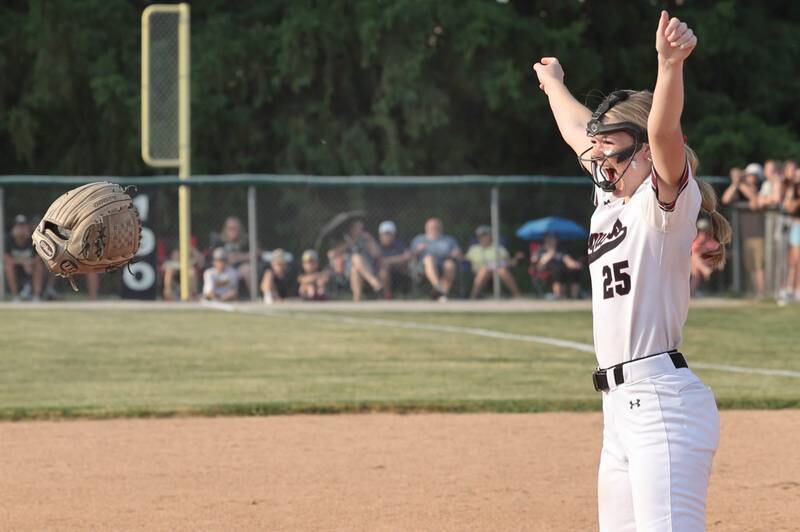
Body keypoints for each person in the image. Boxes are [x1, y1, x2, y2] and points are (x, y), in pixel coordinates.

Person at [534, 11, 731, 531]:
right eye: (598, 156)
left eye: (612, 154)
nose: (600, 164)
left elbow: (665, 129)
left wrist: (669, 66)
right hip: (619, 412)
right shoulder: (611, 199)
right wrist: (555, 84)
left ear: (643, 152)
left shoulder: (662, 206)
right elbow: (579, 131)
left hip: (662, 408)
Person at [721, 164, 765, 296]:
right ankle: (753, 292)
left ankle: (762, 294)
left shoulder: (759, 188)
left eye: (751, 175)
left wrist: (739, 183)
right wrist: (735, 184)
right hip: (745, 234)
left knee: (759, 266)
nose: (749, 177)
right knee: (750, 266)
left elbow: (754, 199)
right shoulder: (741, 189)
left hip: (758, 233)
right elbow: (725, 199)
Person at [328, 219, 383, 301]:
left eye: (361, 228)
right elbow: (331, 254)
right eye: (358, 228)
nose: (360, 230)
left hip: (368, 268)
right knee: (356, 259)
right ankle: (374, 282)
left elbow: (376, 254)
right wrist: (349, 244)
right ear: (351, 229)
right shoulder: (344, 240)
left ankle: (356, 300)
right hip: (346, 271)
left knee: (355, 269)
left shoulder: (366, 239)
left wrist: (370, 240)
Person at [410, 217, 463, 301]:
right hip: (423, 267)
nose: (434, 229)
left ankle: (442, 295)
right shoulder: (419, 239)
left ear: (440, 228)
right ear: (426, 228)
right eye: (431, 227)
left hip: (443, 264)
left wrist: (457, 253)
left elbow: (459, 255)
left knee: (450, 264)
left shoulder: (449, 240)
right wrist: (417, 250)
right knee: (429, 259)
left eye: (436, 227)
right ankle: (438, 287)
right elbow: (410, 255)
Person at [465, 225, 522, 298]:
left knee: (502, 271)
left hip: (497, 269)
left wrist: (516, 259)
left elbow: (509, 261)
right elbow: (465, 259)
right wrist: (458, 255)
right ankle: (473, 296)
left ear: (490, 236)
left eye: (485, 235)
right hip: (478, 271)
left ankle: (517, 295)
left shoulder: (498, 248)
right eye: (481, 236)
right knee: (485, 270)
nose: (483, 238)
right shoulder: (474, 249)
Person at [529, 233, 582, 299]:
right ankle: (558, 295)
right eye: (549, 238)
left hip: (563, 269)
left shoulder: (560, 249)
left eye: (553, 238)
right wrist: (550, 254)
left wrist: (574, 264)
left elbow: (566, 258)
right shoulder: (541, 250)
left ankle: (575, 296)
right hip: (547, 270)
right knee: (557, 270)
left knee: (575, 271)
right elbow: (540, 264)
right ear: (545, 240)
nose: (551, 240)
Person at [209, 216, 254, 293]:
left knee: (247, 269)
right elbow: (213, 257)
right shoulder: (219, 241)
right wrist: (226, 260)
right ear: (225, 229)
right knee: (210, 273)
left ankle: (254, 296)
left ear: (240, 229)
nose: (232, 231)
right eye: (230, 228)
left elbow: (257, 253)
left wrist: (240, 257)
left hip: (239, 269)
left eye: (235, 228)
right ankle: (211, 295)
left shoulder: (246, 241)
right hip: (223, 268)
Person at [4, 215, 44, 302]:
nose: (21, 229)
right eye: (19, 226)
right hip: (16, 266)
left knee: (39, 266)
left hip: (31, 266)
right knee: (8, 267)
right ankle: (15, 296)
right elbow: (7, 258)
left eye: (23, 226)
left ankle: (36, 296)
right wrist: (23, 262)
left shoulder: (33, 239)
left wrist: (30, 263)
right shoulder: (9, 239)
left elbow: (38, 257)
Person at [376, 220, 412, 300]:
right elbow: (379, 261)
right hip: (380, 276)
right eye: (384, 234)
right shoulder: (376, 246)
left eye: (389, 234)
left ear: (394, 235)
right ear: (380, 235)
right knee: (384, 270)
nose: (387, 236)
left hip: (399, 273)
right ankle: (387, 296)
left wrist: (389, 261)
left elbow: (407, 257)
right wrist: (397, 259)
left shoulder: (400, 244)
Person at [162, 236, 205, 301]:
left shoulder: (193, 252)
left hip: (188, 275)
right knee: (169, 271)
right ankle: (168, 292)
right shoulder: (177, 251)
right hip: (177, 274)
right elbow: (171, 264)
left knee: (192, 272)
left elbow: (201, 263)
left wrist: (192, 250)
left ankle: (193, 293)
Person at [782, 167, 800, 300]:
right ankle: (790, 288)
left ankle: (797, 289)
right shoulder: (792, 191)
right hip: (797, 227)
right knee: (794, 260)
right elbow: (789, 207)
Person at [691, 218, 720, 296]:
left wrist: (704, 248)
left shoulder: (710, 239)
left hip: (708, 262)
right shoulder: (694, 238)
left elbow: (717, 250)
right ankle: (705, 270)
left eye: (704, 230)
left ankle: (692, 293)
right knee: (695, 261)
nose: (702, 232)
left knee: (695, 261)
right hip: (695, 263)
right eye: (700, 230)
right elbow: (692, 250)